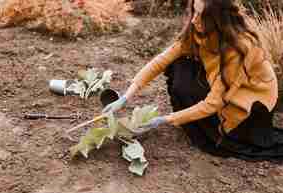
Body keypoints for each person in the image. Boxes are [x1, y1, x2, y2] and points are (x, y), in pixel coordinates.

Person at [103, 0, 283, 159]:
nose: (194, 19)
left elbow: (214, 103)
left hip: (250, 102)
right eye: (194, 11)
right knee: (179, 63)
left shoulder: (238, 48)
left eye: (201, 15)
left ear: (217, 19)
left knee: (217, 136)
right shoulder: (197, 31)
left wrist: (165, 119)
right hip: (224, 85)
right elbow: (161, 61)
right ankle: (192, 116)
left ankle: (218, 124)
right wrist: (125, 97)